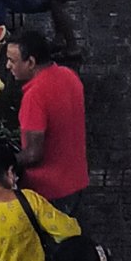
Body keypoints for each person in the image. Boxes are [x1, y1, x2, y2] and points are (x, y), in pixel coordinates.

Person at [7, 28, 89, 213]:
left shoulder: (34, 96)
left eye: (12, 61)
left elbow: (34, 154)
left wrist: (4, 161)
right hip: (76, 180)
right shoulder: (69, 75)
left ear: (31, 62)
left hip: (49, 192)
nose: (7, 66)